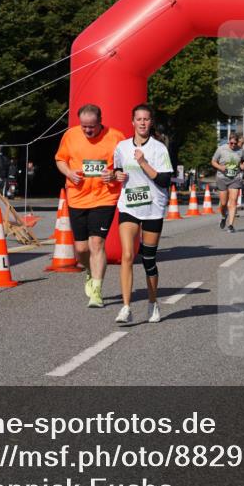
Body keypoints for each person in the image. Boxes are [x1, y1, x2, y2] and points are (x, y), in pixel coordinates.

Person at [55, 104, 125, 308]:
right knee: (81, 248)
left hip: (105, 197)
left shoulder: (116, 137)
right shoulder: (70, 135)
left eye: (91, 127)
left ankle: (97, 289)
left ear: (100, 122)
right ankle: (89, 270)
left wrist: (113, 174)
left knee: (97, 244)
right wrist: (69, 173)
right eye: (84, 126)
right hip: (77, 196)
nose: (87, 130)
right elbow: (60, 160)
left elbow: (125, 166)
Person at [113, 104, 172, 324]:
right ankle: (126, 307)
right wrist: (117, 175)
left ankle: (153, 302)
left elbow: (164, 180)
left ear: (151, 122)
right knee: (127, 256)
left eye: (146, 119)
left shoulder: (159, 149)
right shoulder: (121, 147)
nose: (143, 123)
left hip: (153, 208)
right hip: (129, 205)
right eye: (139, 119)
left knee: (148, 259)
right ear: (132, 122)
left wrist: (143, 162)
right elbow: (117, 168)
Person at [211, 132, 244, 233]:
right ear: (228, 141)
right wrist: (220, 167)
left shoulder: (240, 151)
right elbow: (213, 161)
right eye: (231, 143)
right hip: (222, 177)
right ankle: (223, 216)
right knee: (223, 203)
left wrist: (243, 165)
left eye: (235, 143)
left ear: (237, 143)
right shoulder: (221, 149)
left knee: (233, 201)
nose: (233, 145)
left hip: (235, 178)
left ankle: (231, 225)